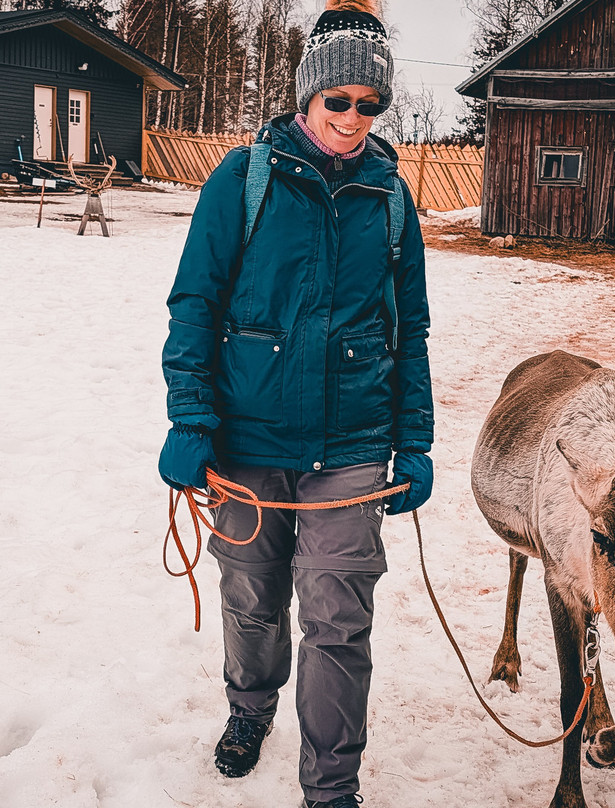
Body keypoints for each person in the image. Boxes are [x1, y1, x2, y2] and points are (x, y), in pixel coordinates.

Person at [158, 1, 434, 805]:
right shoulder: (243, 179)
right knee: (251, 596)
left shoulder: (389, 199)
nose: (353, 118)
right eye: (338, 101)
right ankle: (250, 709)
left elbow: (409, 331)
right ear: (308, 97)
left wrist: (413, 441)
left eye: (369, 104)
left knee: (339, 622)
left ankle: (332, 786)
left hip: (351, 446)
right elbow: (194, 306)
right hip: (246, 441)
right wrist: (190, 419)